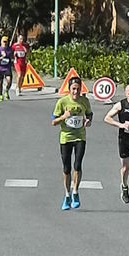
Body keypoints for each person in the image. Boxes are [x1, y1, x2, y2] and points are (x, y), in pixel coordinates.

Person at [51, 76, 93, 210]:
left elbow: (89, 114)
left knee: (78, 165)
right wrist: (64, 116)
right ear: (69, 89)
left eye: (78, 89)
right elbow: (53, 121)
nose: (76, 92)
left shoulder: (84, 101)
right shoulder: (62, 102)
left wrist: (88, 121)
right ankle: (67, 195)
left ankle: (75, 192)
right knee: (66, 168)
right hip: (66, 138)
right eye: (73, 89)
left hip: (80, 136)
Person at [0, 36, 13, 101]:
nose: (5, 43)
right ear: (1, 42)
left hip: (7, 67)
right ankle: (1, 94)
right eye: (4, 41)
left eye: (6, 42)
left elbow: (11, 57)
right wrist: (2, 57)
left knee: (9, 80)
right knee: (0, 82)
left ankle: (6, 91)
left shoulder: (9, 50)